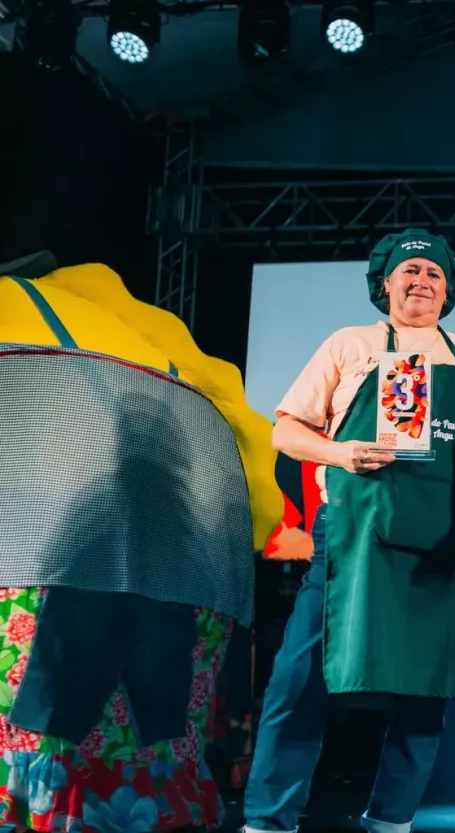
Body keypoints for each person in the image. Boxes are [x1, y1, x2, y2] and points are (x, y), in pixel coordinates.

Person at [242, 230, 455, 833]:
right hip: (354, 540)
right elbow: (285, 432)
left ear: (449, 291)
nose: (421, 280)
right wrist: (341, 455)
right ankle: (268, 820)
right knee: (301, 680)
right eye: (410, 270)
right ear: (385, 283)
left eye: (434, 274)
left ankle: (392, 819)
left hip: (444, 546)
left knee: (427, 692)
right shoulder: (350, 343)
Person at [0, 259, 283, 833]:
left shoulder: (40, 316)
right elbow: (254, 479)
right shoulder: (129, 338)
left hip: (65, 573)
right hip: (173, 586)